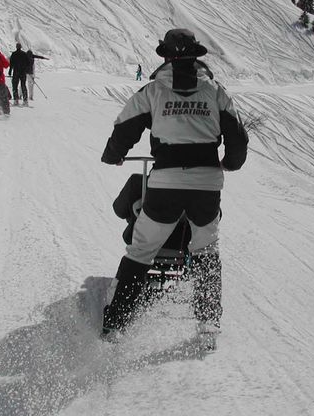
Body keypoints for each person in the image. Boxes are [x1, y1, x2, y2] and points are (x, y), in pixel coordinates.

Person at [100, 28, 249, 340]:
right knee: (206, 249)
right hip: (206, 183)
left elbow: (125, 126)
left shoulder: (153, 91)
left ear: (166, 57)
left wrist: (114, 155)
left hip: (166, 181)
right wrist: (230, 162)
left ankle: (116, 324)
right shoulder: (215, 92)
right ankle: (208, 322)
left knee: (141, 250)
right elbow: (237, 134)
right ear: (196, 57)